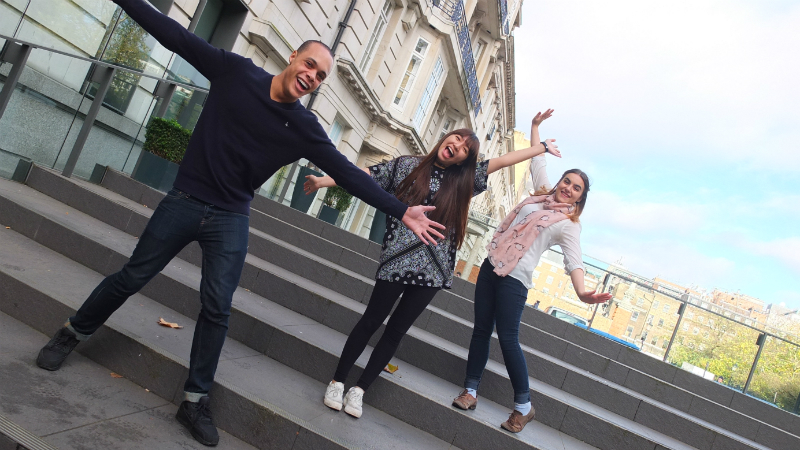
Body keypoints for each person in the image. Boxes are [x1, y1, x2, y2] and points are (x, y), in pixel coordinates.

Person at [34, 0, 444, 446]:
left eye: (321, 76)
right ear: (293, 57)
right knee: (132, 275)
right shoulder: (235, 72)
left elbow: (348, 173)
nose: (312, 76)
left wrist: (400, 210)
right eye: (310, 64)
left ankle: (194, 400)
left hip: (230, 217)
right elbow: (175, 35)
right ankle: (71, 333)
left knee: (217, 307)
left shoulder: (305, 127)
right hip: (185, 200)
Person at [304, 120, 563, 420]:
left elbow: (504, 160)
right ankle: (337, 381)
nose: (458, 147)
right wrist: (324, 181)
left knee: (395, 331)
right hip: (397, 260)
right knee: (371, 320)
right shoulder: (407, 166)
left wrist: (541, 148)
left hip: (433, 271)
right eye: (457, 139)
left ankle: (360, 390)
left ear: (464, 160)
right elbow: (365, 175)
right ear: (446, 137)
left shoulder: (464, 182)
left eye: (465, 149)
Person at [452, 110, 611, 433]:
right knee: (481, 330)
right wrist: (536, 127)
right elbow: (538, 160)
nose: (568, 188)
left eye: (576, 188)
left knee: (508, 339)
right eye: (567, 181)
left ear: (581, 198)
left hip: (515, 281)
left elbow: (574, 261)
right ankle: (470, 391)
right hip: (491, 266)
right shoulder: (541, 194)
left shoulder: (567, 225)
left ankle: (523, 407)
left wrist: (582, 292)